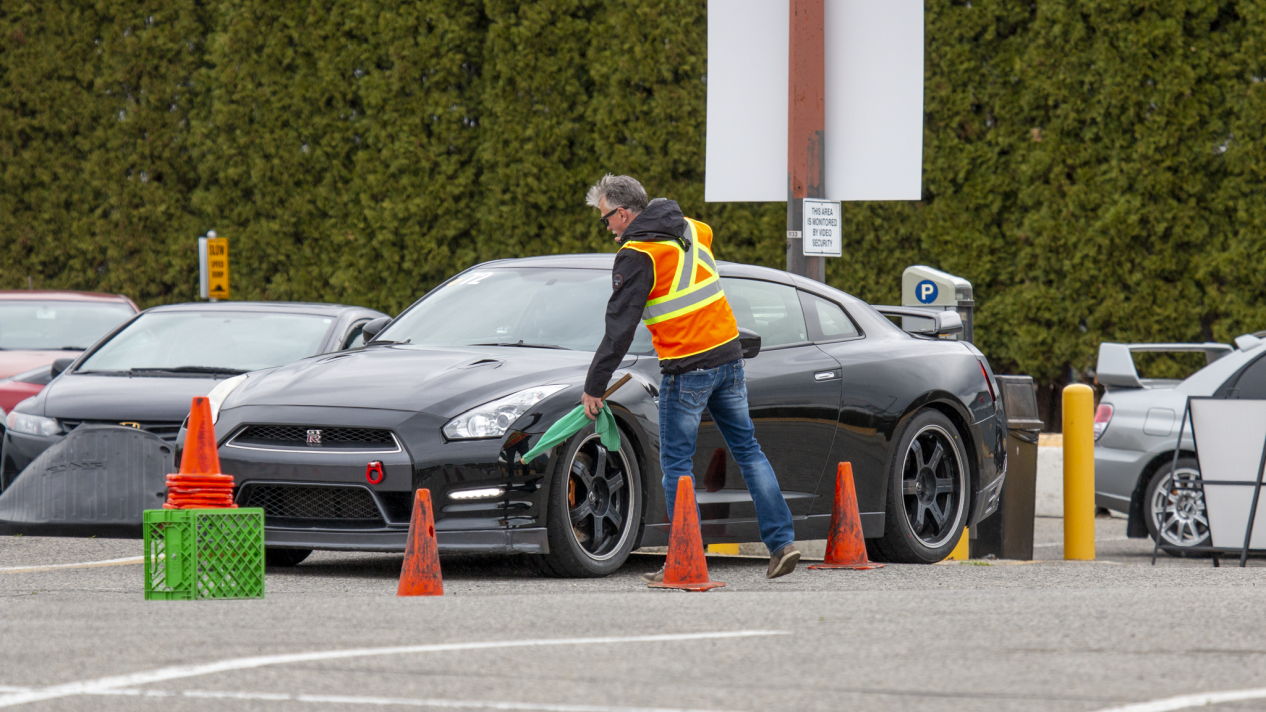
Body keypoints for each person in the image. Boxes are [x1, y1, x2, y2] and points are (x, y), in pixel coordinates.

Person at [580, 174, 800, 581]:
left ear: (624, 213)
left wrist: (595, 385)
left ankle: (685, 560)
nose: (607, 227)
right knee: (749, 451)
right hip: (729, 358)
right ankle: (782, 543)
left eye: (606, 218)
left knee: (676, 465)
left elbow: (620, 326)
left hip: (687, 367)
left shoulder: (637, 253)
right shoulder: (692, 228)